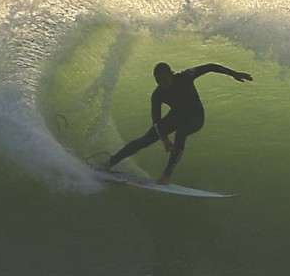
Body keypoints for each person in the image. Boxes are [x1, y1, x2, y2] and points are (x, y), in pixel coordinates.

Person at [105, 61, 253, 184]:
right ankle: (110, 162)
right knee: (145, 140)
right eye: (158, 81)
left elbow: (210, 67)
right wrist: (164, 139)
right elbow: (156, 120)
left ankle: (167, 175)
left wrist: (233, 73)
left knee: (181, 133)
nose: (162, 83)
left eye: (164, 79)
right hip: (175, 116)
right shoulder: (157, 95)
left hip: (195, 118)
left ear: (171, 74)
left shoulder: (185, 76)